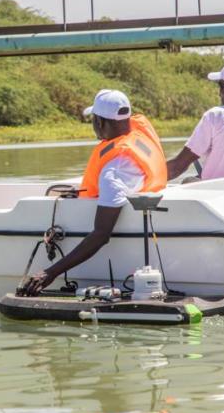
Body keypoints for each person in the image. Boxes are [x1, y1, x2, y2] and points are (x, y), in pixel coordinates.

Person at [19, 89, 167, 296]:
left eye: (93, 120)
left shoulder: (113, 172)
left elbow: (101, 234)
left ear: (100, 122)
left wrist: (50, 273)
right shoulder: (137, 137)